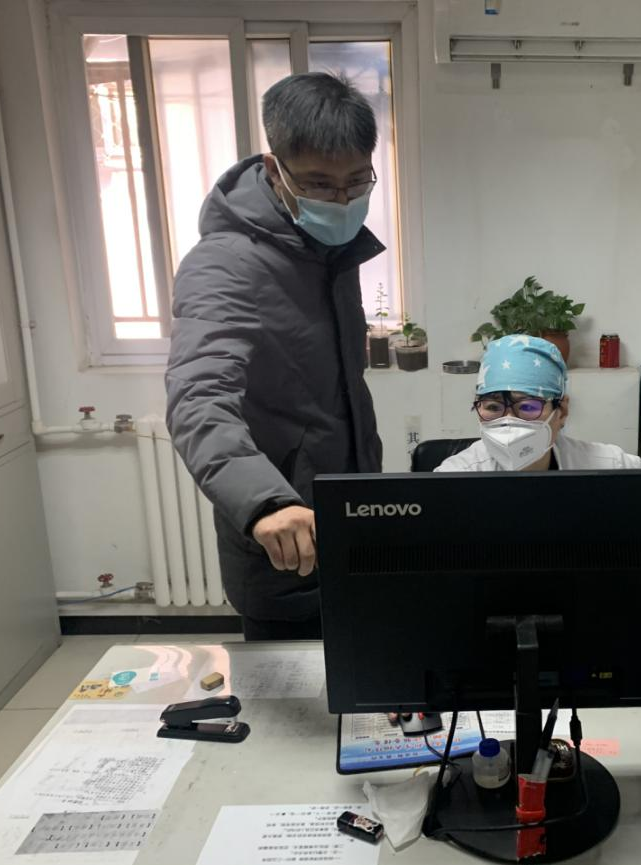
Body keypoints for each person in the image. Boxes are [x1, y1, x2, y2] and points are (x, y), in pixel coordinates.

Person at [165, 73, 384, 641]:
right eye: (319, 185)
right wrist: (265, 505)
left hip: (353, 531)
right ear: (274, 169)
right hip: (286, 547)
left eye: (356, 182)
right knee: (291, 696)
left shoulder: (329, 252)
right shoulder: (224, 264)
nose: (343, 201)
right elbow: (198, 399)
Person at [436, 335, 641, 472]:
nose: (508, 422)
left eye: (527, 407)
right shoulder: (454, 478)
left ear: (561, 412)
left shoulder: (604, 465)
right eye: (493, 407)